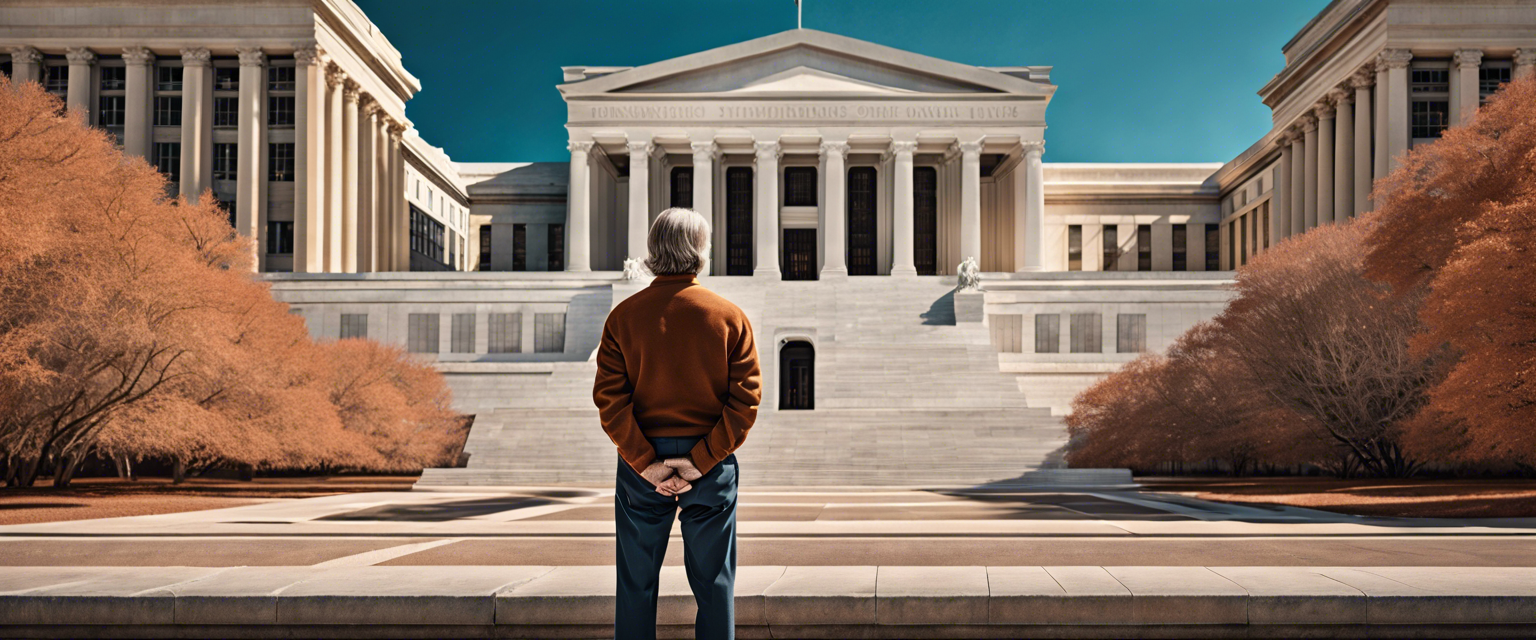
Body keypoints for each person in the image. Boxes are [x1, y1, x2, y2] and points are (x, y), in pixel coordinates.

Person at [593, 207, 762, 640]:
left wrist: (647, 463)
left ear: (652, 252)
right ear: (702, 251)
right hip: (710, 463)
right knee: (714, 585)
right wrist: (700, 461)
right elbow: (745, 400)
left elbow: (610, 400)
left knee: (635, 585)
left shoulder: (623, 317)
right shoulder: (729, 316)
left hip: (640, 464)